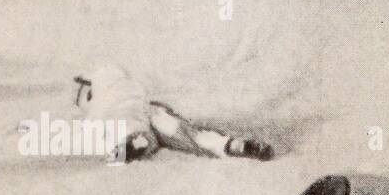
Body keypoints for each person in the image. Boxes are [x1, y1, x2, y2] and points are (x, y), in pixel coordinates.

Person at [80, 63, 274, 164]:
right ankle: (235, 145)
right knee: (193, 135)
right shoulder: (136, 92)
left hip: (134, 123)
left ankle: (138, 142)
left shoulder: (103, 106)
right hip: (154, 113)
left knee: (135, 132)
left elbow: (92, 126)